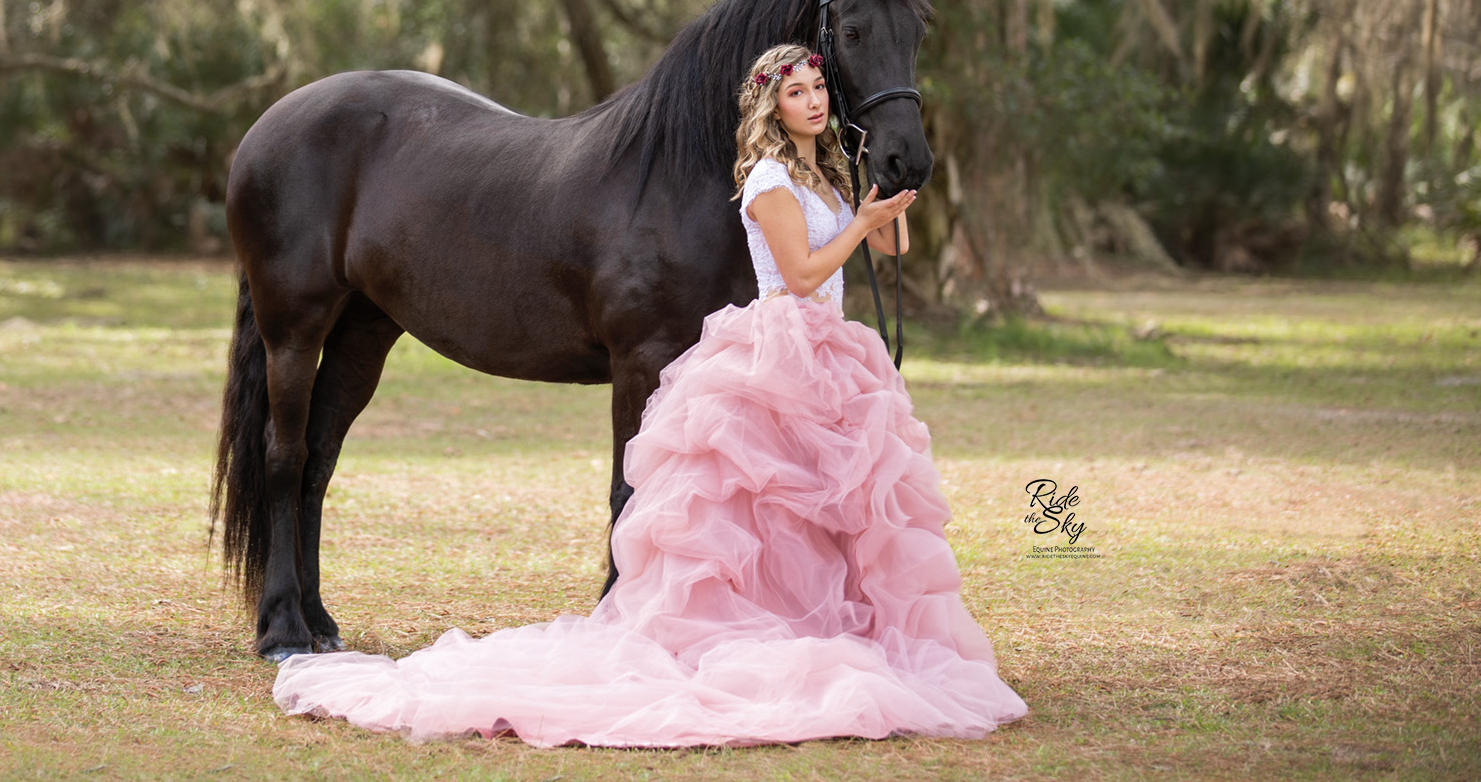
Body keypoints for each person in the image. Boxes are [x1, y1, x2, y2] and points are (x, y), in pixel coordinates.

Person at [271, 43, 1028, 747]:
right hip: (783, 347)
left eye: (819, 87)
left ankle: (796, 627)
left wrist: (884, 203)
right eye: (797, 92)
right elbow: (800, 274)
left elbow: (884, 246)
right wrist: (862, 221)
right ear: (773, 107)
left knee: (799, 506)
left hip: (826, 355)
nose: (815, 101)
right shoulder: (765, 180)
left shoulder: (822, 175)